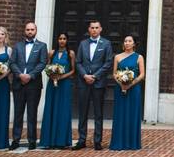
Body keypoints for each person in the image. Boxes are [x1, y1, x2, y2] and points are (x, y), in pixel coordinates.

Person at [74, 20, 113, 150]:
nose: (94, 30)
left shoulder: (106, 44)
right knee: (83, 112)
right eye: (92, 28)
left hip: (98, 83)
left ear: (100, 29)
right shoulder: (83, 44)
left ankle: (97, 141)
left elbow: (108, 63)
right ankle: (81, 139)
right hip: (83, 82)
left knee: (98, 113)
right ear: (89, 29)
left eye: (97, 27)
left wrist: (95, 76)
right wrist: (85, 75)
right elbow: (78, 62)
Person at [9, 21, 48, 150]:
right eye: (28, 30)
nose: (30, 32)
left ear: (35, 31)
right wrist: (20, 75)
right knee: (18, 112)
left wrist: (30, 75)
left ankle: (32, 140)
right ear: (24, 31)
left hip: (34, 84)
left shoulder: (42, 46)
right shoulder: (17, 46)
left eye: (32, 29)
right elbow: (12, 62)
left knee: (32, 112)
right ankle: (16, 139)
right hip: (18, 82)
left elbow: (42, 63)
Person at [39, 32, 75, 149]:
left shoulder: (70, 53)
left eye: (64, 38)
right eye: (60, 38)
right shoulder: (51, 53)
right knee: (51, 108)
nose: (62, 40)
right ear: (57, 40)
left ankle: (61, 141)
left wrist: (61, 77)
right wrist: (52, 76)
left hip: (64, 85)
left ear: (67, 40)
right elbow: (47, 67)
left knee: (63, 110)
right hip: (52, 85)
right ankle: (48, 140)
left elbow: (73, 70)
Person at [110, 34, 145, 150]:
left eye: (130, 41)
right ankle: (119, 142)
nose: (127, 43)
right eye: (125, 41)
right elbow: (114, 73)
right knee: (120, 113)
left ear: (134, 44)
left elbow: (142, 74)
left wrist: (131, 83)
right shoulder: (117, 57)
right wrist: (122, 84)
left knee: (132, 113)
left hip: (134, 89)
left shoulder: (139, 57)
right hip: (120, 89)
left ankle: (132, 142)